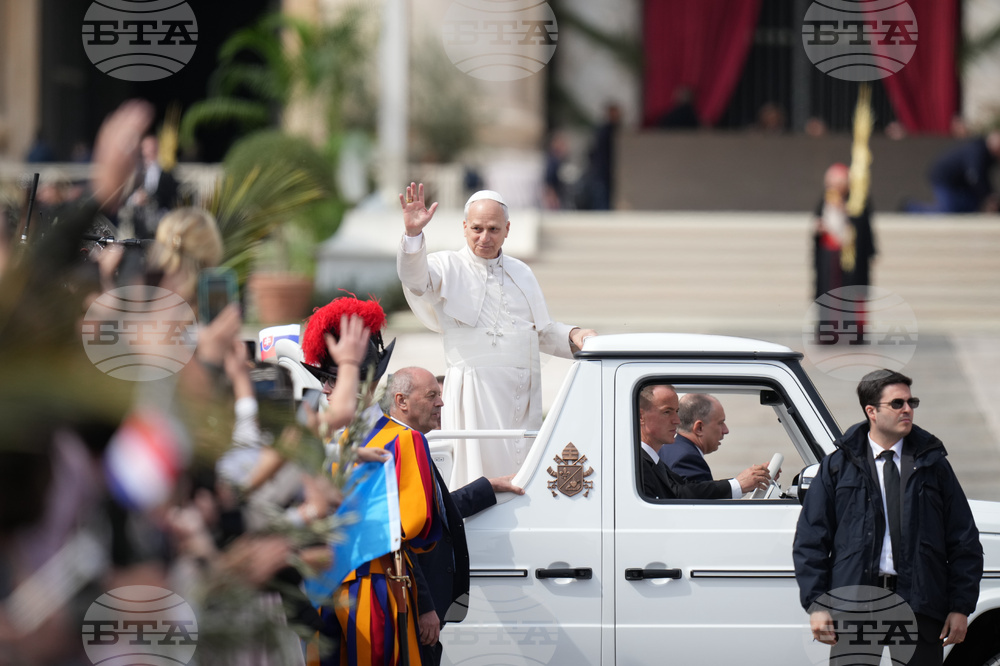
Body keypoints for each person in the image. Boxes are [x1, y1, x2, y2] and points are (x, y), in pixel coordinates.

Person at [397, 183, 596, 487]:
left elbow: (542, 331)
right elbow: (414, 279)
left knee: (521, 479)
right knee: (474, 478)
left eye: (493, 229)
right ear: (464, 227)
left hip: (521, 400)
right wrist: (413, 234)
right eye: (477, 228)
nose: (484, 237)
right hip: (472, 398)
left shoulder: (522, 273)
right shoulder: (446, 266)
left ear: (507, 229)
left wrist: (575, 334)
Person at [793, 369, 984, 666]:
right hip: (856, 603)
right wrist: (817, 604)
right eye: (897, 403)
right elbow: (811, 540)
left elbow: (964, 541)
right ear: (871, 411)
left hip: (920, 604)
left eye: (911, 402)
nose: (907, 410)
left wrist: (961, 607)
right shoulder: (838, 466)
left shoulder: (933, 464)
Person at [300, 296, 438, 666]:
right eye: (325, 381)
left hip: (373, 585)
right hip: (320, 586)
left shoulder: (404, 439)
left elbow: (420, 524)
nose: (327, 390)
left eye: (332, 379)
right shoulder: (323, 443)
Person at [384, 367, 523, 666]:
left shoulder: (409, 441)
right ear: (402, 401)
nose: (441, 404)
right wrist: (424, 607)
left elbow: (435, 512)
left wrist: (489, 486)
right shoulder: (397, 445)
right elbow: (402, 538)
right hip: (414, 606)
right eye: (432, 395)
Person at [638, 385, 771, 500]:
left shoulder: (651, 460)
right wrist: (738, 484)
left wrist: (749, 481)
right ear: (641, 416)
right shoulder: (637, 464)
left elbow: (683, 488)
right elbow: (679, 496)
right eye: (667, 412)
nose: (677, 421)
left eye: (677, 412)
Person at [812, 163, 876, 308]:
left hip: (850, 258)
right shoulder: (824, 200)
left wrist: (844, 210)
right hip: (829, 256)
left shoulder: (857, 201)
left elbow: (862, 228)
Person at [906, 131, 1000, 213]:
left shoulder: (989, 157)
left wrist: (989, 195)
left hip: (960, 183)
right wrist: (988, 196)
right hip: (944, 178)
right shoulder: (977, 151)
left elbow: (983, 178)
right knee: (948, 211)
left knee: (970, 207)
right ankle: (910, 208)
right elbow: (975, 176)